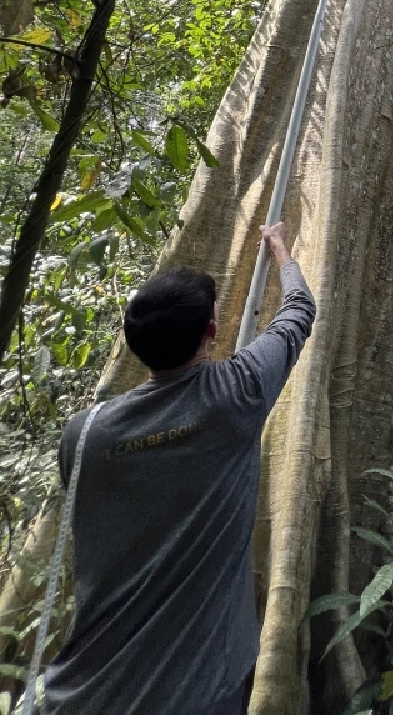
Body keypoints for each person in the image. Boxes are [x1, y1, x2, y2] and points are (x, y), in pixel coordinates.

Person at [43, 222, 316, 715]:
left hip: (84, 690)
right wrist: (280, 250)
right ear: (212, 332)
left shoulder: (83, 435)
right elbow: (297, 313)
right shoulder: (237, 395)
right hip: (201, 689)